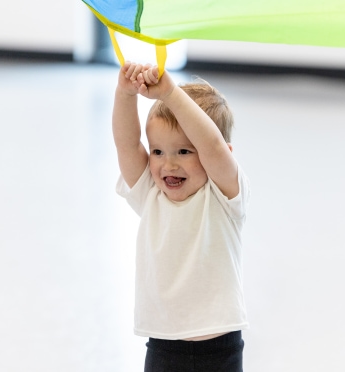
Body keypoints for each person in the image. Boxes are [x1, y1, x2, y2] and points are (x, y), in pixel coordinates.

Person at [113, 61, 250, 372]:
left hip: (219, 347)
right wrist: (125, 94)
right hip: (163, 345)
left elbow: (212, 145)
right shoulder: (150, 193)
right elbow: (127, 144)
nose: (168, 165)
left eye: (184, 152)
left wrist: (171, 94)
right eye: (158, 152)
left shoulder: (224, 195)